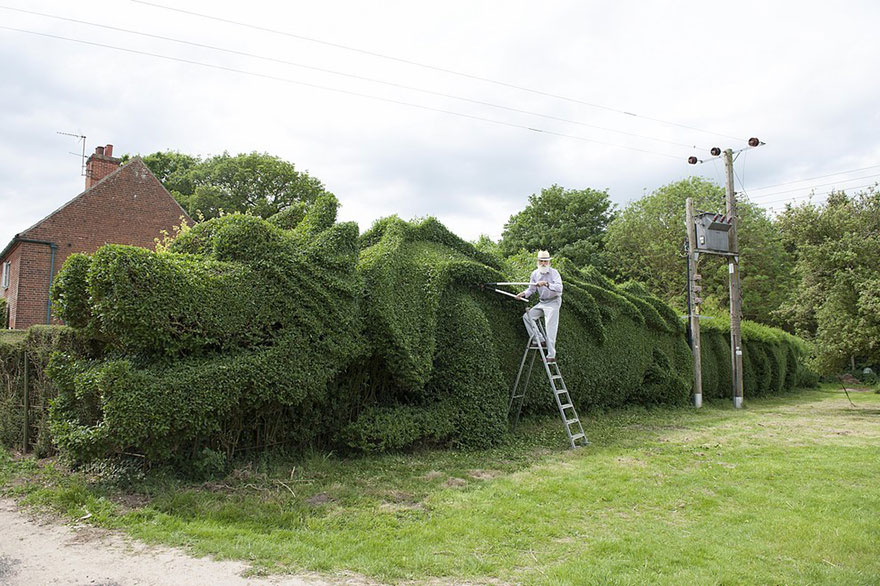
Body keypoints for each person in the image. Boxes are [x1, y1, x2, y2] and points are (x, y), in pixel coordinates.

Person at [516, 250, 563, 362]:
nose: (543, 263)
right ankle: (539, 340)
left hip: (553, 302)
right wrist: (523, 294)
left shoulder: (554, 273)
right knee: (527, 317)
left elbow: (560, 288)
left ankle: (551, 356)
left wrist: (547, 284)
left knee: (550, 327)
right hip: (542, 302)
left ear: (549, 263)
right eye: (541, 261)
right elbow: (531, 289)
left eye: (545, 261)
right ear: (538, 262)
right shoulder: (535, 274)